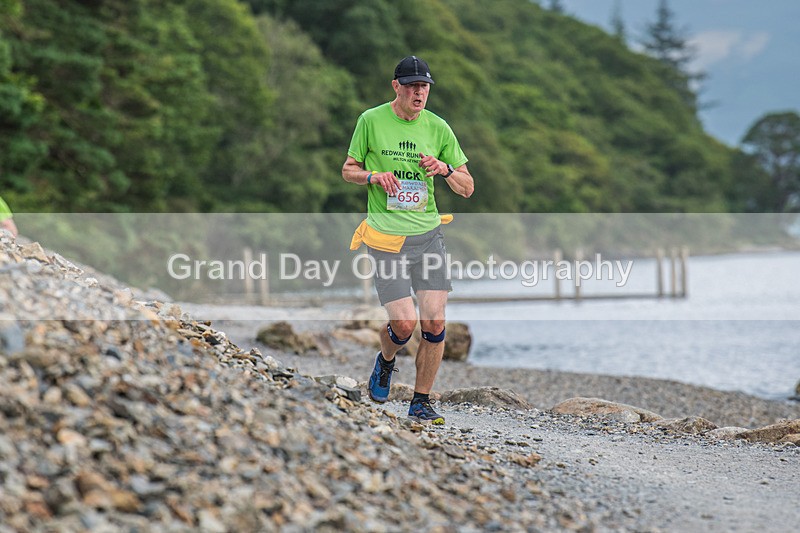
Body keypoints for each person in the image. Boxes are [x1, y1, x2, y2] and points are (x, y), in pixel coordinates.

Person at [342, 56, 474, 425]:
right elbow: (348, 170)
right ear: (396, 87)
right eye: (413, 85)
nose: (420, 92)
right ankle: (385, 362)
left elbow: (467, 188)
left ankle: (421, 400)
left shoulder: (439, 128)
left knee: (433, 323)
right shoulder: (370, 120)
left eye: (425, 86)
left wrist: (444, 169)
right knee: (403, 325)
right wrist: (372, 177)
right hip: (385, 238)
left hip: (428, 236)